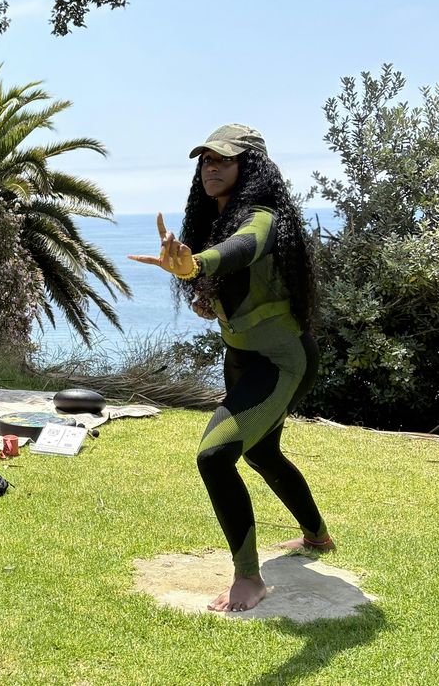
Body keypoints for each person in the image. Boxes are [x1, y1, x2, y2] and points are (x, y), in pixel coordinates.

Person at [128, 124, 333, 613]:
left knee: (214, 456)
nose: (211, 167)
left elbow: (243, 248)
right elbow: (236, 288)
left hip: (282, 361)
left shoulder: (260, 216)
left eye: (224, 159)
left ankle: (249, 578)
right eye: (205, 160)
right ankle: (317, 537)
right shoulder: (216, 218)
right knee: (262, 454)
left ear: (250, 167)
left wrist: (196, 265)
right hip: (241, 357)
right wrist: (207, 295)